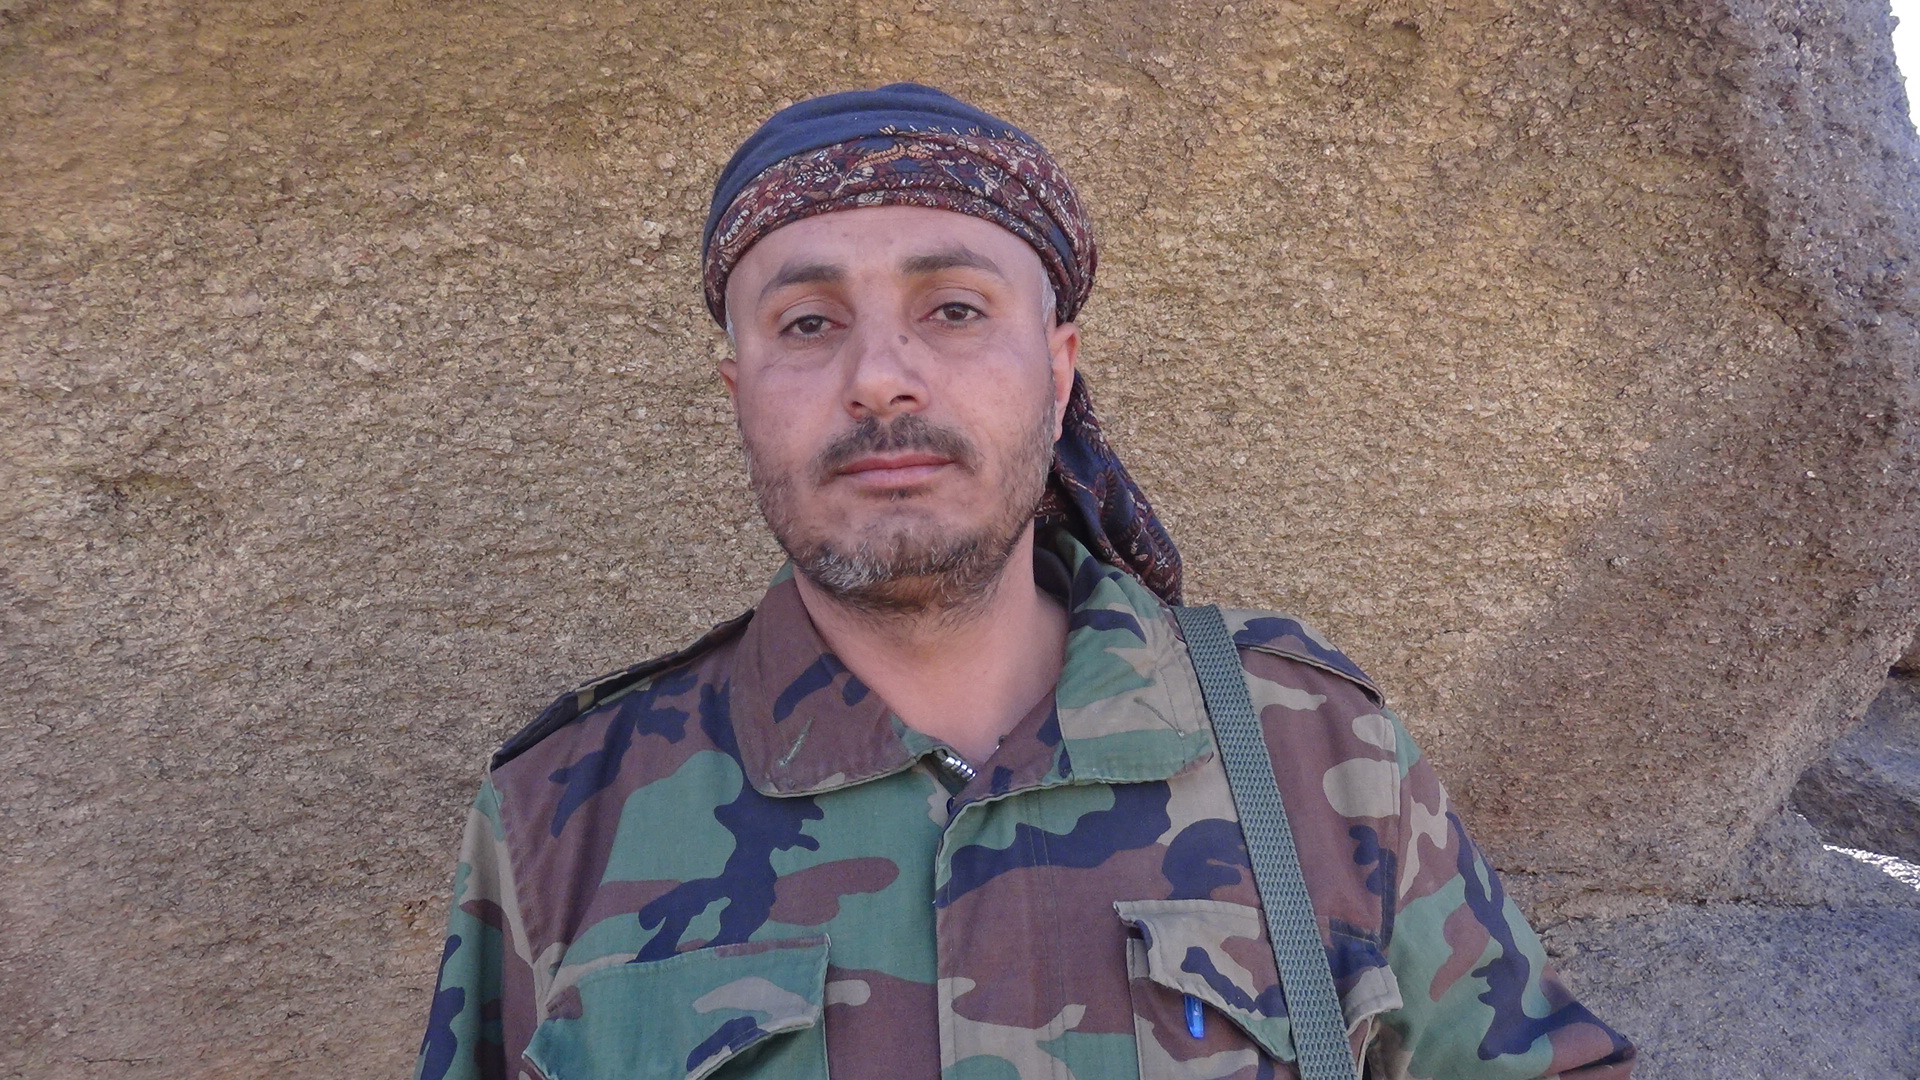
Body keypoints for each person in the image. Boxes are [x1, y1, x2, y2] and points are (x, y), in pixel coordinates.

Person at [414, 84, 1634, 1080]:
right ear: (739, 393)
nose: (880, 377)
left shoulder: (1317, 755)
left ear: (1057, 374)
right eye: (807, 323)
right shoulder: (563, 815)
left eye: (952, 309)